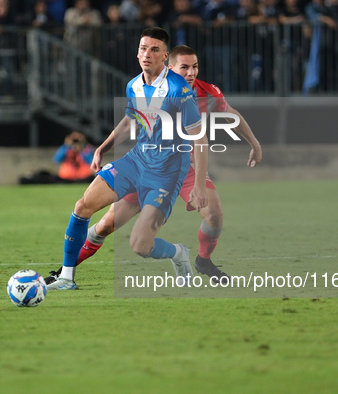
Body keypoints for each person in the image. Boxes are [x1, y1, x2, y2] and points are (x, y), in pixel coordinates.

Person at [45, 45, 262, 286]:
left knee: (214, 215)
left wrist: (254, 143)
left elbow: (231, 115)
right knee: (105, 225)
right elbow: (129, 121)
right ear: (171, 68)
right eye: (185, 68)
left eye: (195, 67)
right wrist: (103, 147)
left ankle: (204, 261)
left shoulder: (207, 93)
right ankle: (65, 272)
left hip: (186, 168)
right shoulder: (154, 90)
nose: (191, 73)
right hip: (147, 165)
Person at [46, 27, 208, 290]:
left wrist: (199, 185)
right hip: (137, 162)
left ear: (165, 56)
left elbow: (199, 139)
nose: (147, 54)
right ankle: (66, 277)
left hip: (165, 173)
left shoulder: (179, 90)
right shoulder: (133, 85)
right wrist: (103, 147)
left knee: (140, 245)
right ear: (137, 53)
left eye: (154, 49)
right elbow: (131, 119)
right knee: (83, 207)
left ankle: (178, 252)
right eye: (143, 48)